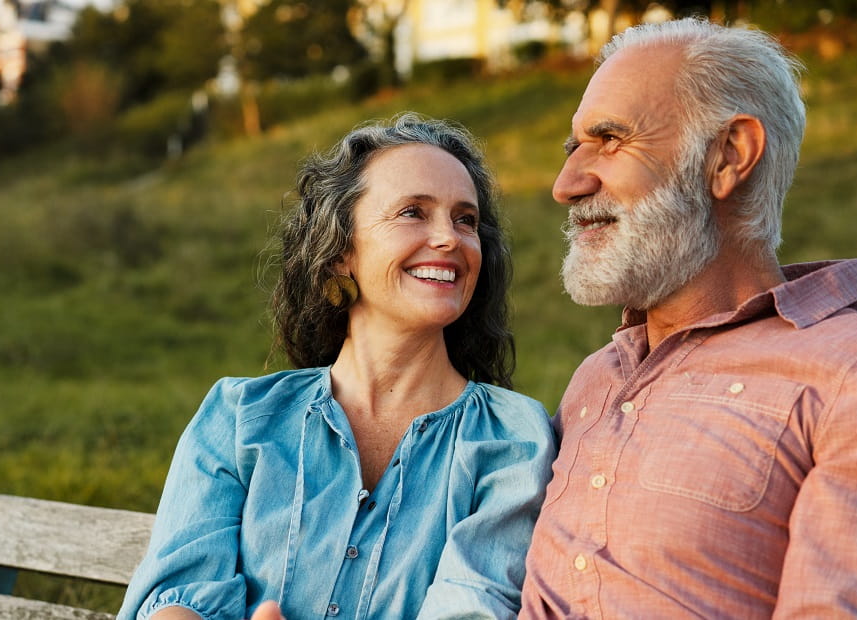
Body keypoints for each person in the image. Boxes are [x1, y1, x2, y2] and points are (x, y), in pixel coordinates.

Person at [520, 17, 857, 618]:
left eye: (611, 139)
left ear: (729, 155)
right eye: (574, 147)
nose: (567, 183)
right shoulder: (593, 381)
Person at [119, 113, 557, 620]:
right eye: (413, 211)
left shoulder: (512, 440)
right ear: (339, 252)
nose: (449, 239)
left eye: (465, 219)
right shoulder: (238, 417)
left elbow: (473, 606)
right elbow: (176, 599)